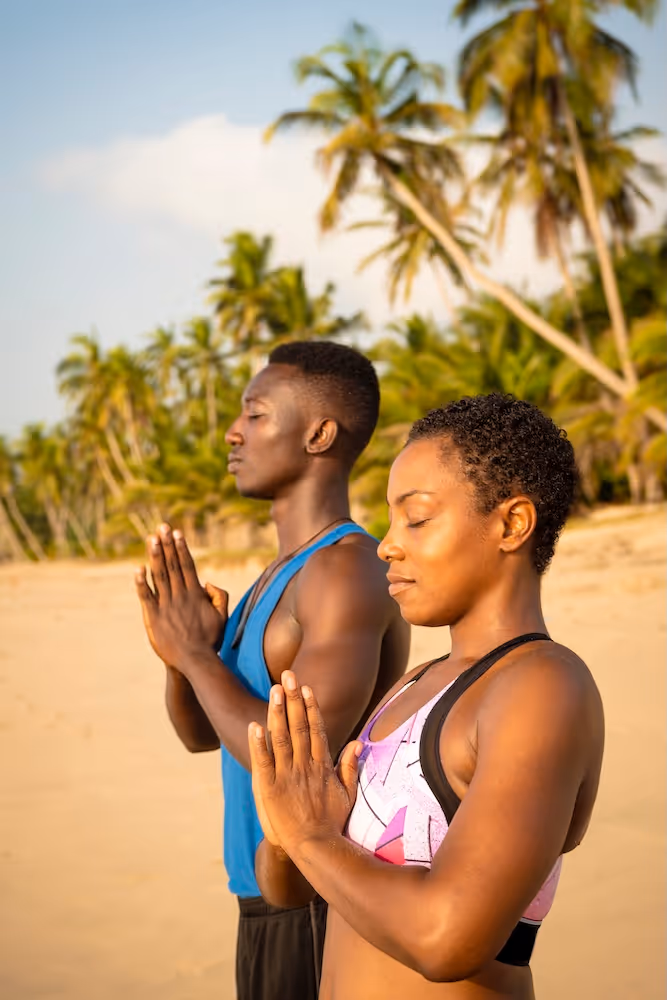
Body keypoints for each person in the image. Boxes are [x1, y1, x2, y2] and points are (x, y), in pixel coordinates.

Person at [248, 393, 605, 1000]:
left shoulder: (542, 688)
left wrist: (312, 839)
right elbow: (291, 892)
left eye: (415, 518)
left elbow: (448, 939)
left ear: (512, 524)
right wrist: (289, 832)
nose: (388, 544)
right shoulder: (414, 684)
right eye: (390, 521)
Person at [134, 340, 410, 1000]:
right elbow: (203, 734)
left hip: (314, 894)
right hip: (257, 891)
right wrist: (181, 659)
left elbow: (282, 755)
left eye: (255, 415)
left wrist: (199, 657)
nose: (233, 433)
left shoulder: (347, 570)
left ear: (318, 433)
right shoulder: (274, 579)